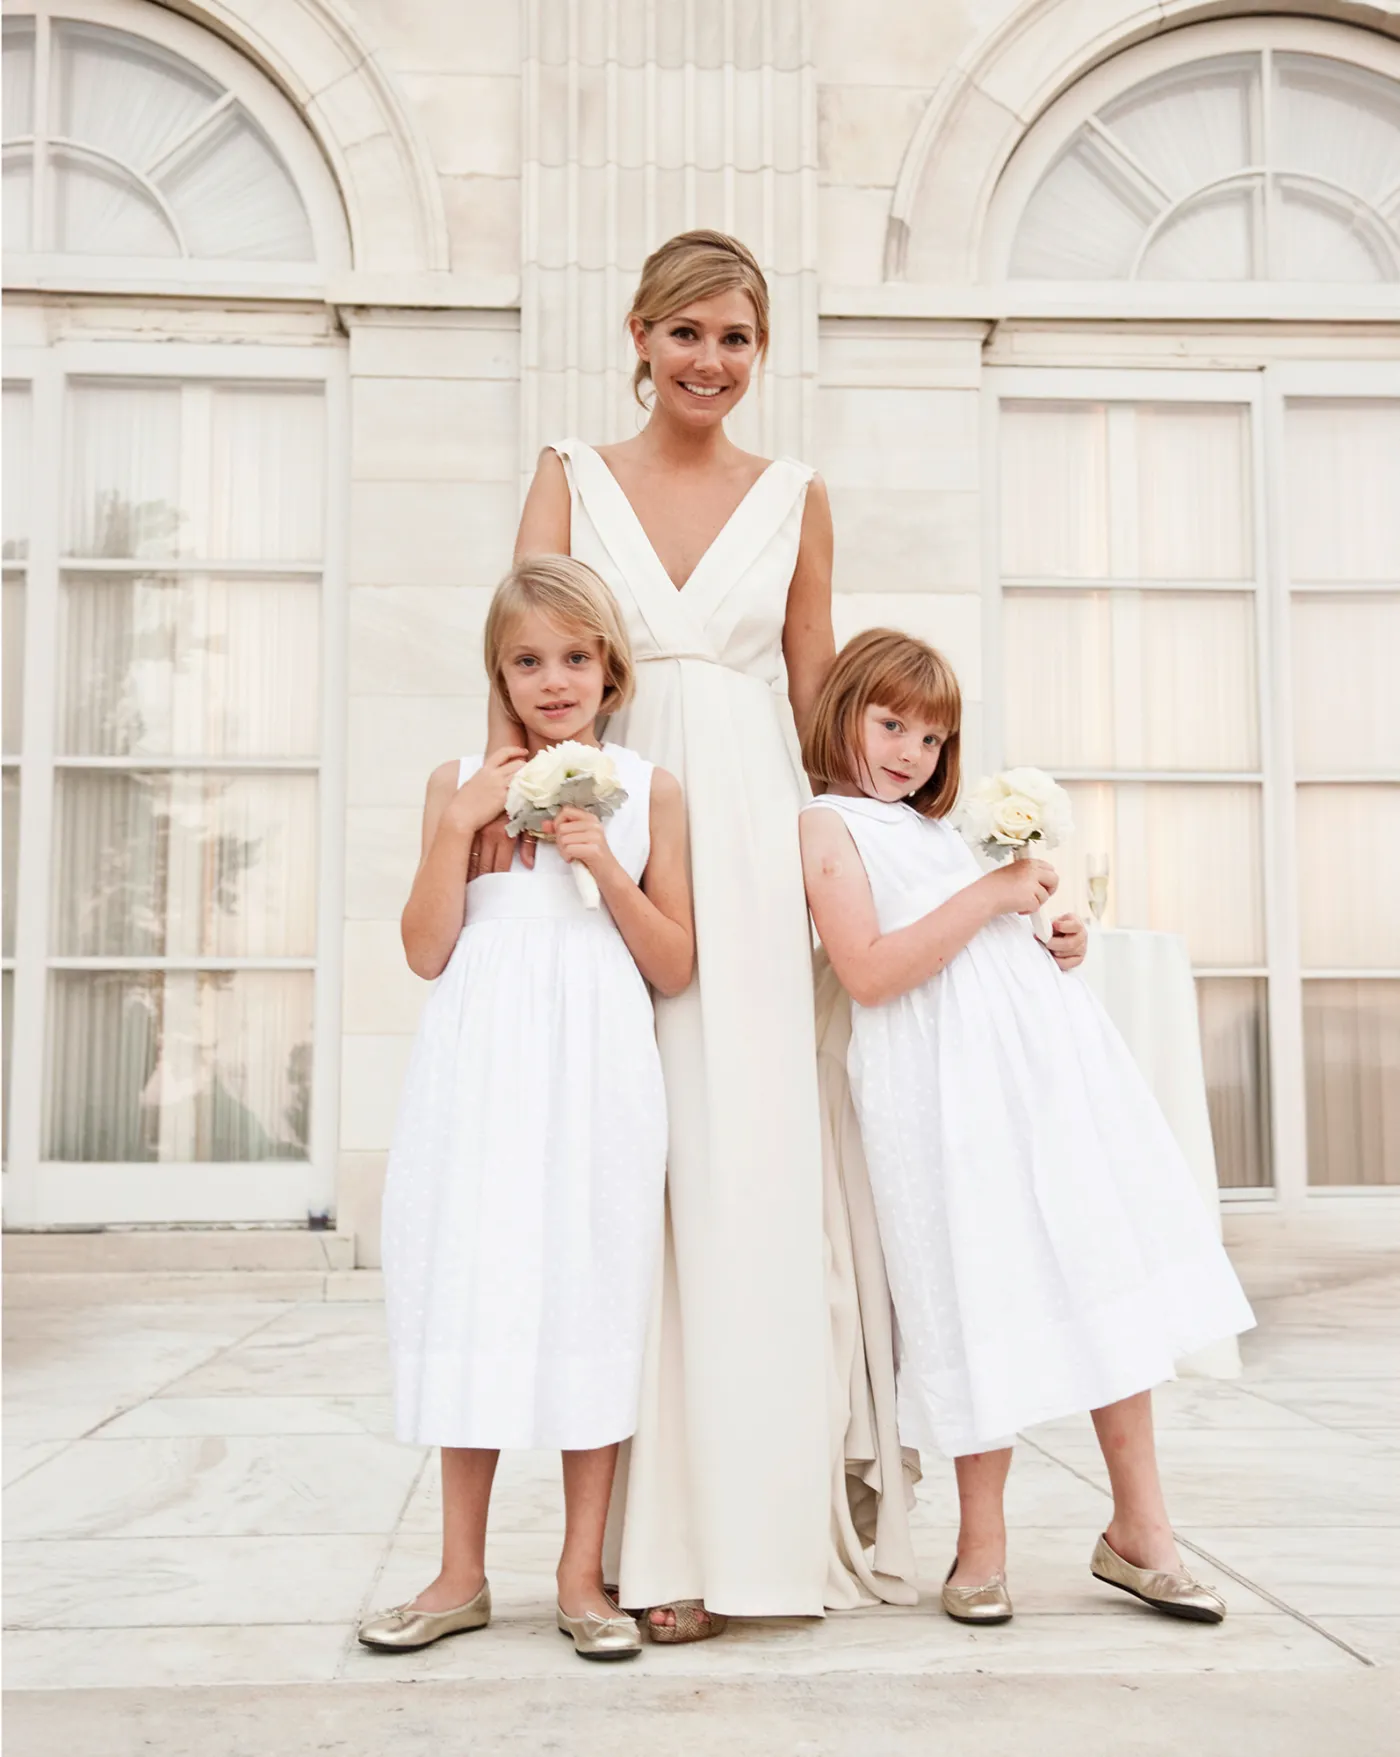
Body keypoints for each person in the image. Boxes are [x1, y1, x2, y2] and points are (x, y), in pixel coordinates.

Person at [493, 230, 910, 1638]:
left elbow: (818, 695)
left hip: (744, 831)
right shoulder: (568, 473)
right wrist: (506, 820)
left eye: (736, 338)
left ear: (759, 351)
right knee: (632, 1165)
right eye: (685, 332)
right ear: (639, 334)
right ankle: (634, 1544)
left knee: (744, 1164)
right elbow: (516, 658)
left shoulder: (796, 495)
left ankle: (745, 1540)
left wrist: (880, 856)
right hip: (605, 825)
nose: (710, 361)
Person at [798, 629, 1256, 1627]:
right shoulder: (826, 826)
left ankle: (1141, 1527)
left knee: (1097, 1265)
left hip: (1038, 1073)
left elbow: (984, 933)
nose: (911, 752)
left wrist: (1048, 932)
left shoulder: (941, 831)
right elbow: (869, 969)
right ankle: (981, 1543)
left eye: (932, 737)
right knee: (971, 1285)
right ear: (842, 712)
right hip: (935, 1090)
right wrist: (988, 896)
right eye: (891, 724)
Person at [360, 556, 693, 1661]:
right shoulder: (455, 780)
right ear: (499, 675)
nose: (554, 680)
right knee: (476, 1282)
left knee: (592, 1285)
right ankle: (459, 1571)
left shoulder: (649, 789)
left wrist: (605, 863)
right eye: (528, 660)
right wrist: (456, 825)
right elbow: (424, 950)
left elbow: (675, 963)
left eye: (575, 657)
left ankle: (580, 1571)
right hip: (479, 1066)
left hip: (596, 1064)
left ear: (610, 670)